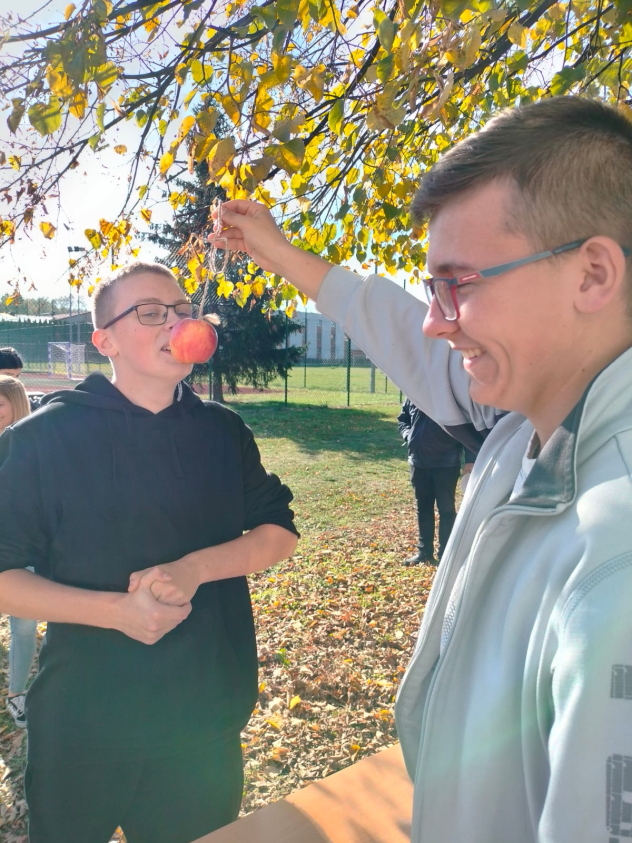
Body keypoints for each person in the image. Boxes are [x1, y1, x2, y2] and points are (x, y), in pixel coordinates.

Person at [211, 96, 632, 842]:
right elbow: (403, 333)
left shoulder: (614, 551)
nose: (437, 320)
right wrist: (276, 252)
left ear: (593, 274)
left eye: (459, 285)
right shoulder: (524, 424)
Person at [0, 262, 299, 843]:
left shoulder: (223, 431)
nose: (177, 323)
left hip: (201, 721)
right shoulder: (40, 440)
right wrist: (117, 612)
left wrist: (194, 569)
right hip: (81, 725)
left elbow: (279, 531)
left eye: (183, 310)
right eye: (151, 312)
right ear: (104, 341)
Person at [0, 375, 38, 729]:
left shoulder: (32, 442)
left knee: (24, 626)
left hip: (24, 550)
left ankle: (17, 694)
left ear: (15, 402)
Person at [398, 397, 474, 566]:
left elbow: (468, 427)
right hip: (418, 462)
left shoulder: (448, 394)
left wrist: (470, 459)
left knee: (446, 509)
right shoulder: (413, 394)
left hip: (446, 463)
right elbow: (403, 420)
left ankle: (445, 554)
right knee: (423, 508)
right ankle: (424, 552)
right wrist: (409, 435)